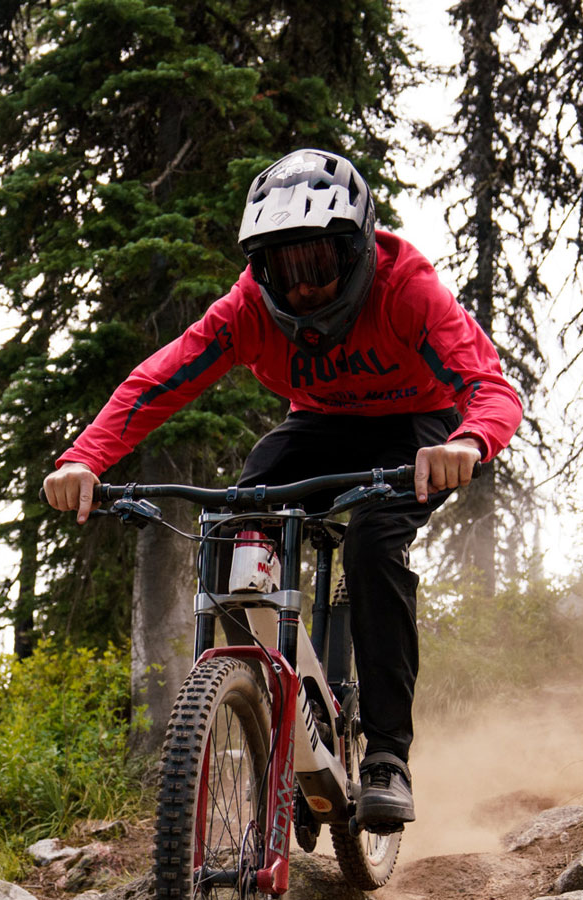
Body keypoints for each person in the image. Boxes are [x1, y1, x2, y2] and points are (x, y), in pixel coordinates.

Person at [44, 149, 524, 828]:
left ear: (356, 252)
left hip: (417, 430)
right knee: (238, 523)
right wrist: (84, 460)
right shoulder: (249, 310)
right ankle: (286, 723)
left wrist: (468, 444)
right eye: (282, 267)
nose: (302, 289)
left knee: (374, 544)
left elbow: (491, 385)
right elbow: (160, 380)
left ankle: (387, 753)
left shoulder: (406, 288)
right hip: (319, 426)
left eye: (318, 264)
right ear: (258, 267)